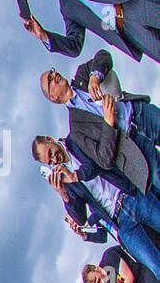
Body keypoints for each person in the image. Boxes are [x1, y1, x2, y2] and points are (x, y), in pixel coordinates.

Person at [32, 134, 160, 276]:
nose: (55, 159)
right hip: (120, 222)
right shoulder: (65, 182)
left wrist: (76, 175)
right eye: (50, 161)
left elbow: (100, 160)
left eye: (51, 153)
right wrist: (63, 194)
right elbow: (80, 218)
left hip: (131, 197)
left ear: (50, 139)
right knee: (156, 266)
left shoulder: (78, 139)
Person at [39, 61, 156, 190]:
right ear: (54, 97)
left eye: (52, 71)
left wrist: (95, 77)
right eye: (50, 79)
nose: (54, 74)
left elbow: (103, 56)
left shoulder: (82, 75)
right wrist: (108, 123)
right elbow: (103, 159)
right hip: (135, 148)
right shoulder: (76, 130)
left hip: (141, 114)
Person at [16, 0, 160, 63]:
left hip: (133, 2)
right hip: (129, 32)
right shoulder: (66, 7)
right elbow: (74, 46)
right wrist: (43, 36)